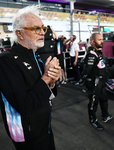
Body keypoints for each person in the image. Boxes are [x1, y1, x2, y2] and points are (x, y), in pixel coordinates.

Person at [0, 5, 61, 150]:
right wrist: (46, 77)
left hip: (44, 126)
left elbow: (49, 95)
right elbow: (24, 105)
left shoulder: (36, 57)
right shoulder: (6, 60)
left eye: (43, 28)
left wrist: (52, 82)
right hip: (27, 135)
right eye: (36, 29)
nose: (42, 33)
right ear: (20, 34)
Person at [82, 33, 113, 130]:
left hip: (101, 81)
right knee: (93, 102)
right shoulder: (91, 53)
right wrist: (84, 81)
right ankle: (93, 121)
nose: (102, 41)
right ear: (93, 42)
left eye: (102, 39)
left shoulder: (98, 51)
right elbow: (87, 69)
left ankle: (105, 115)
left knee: (104, 99)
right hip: (94, 82)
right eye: (99, 39)